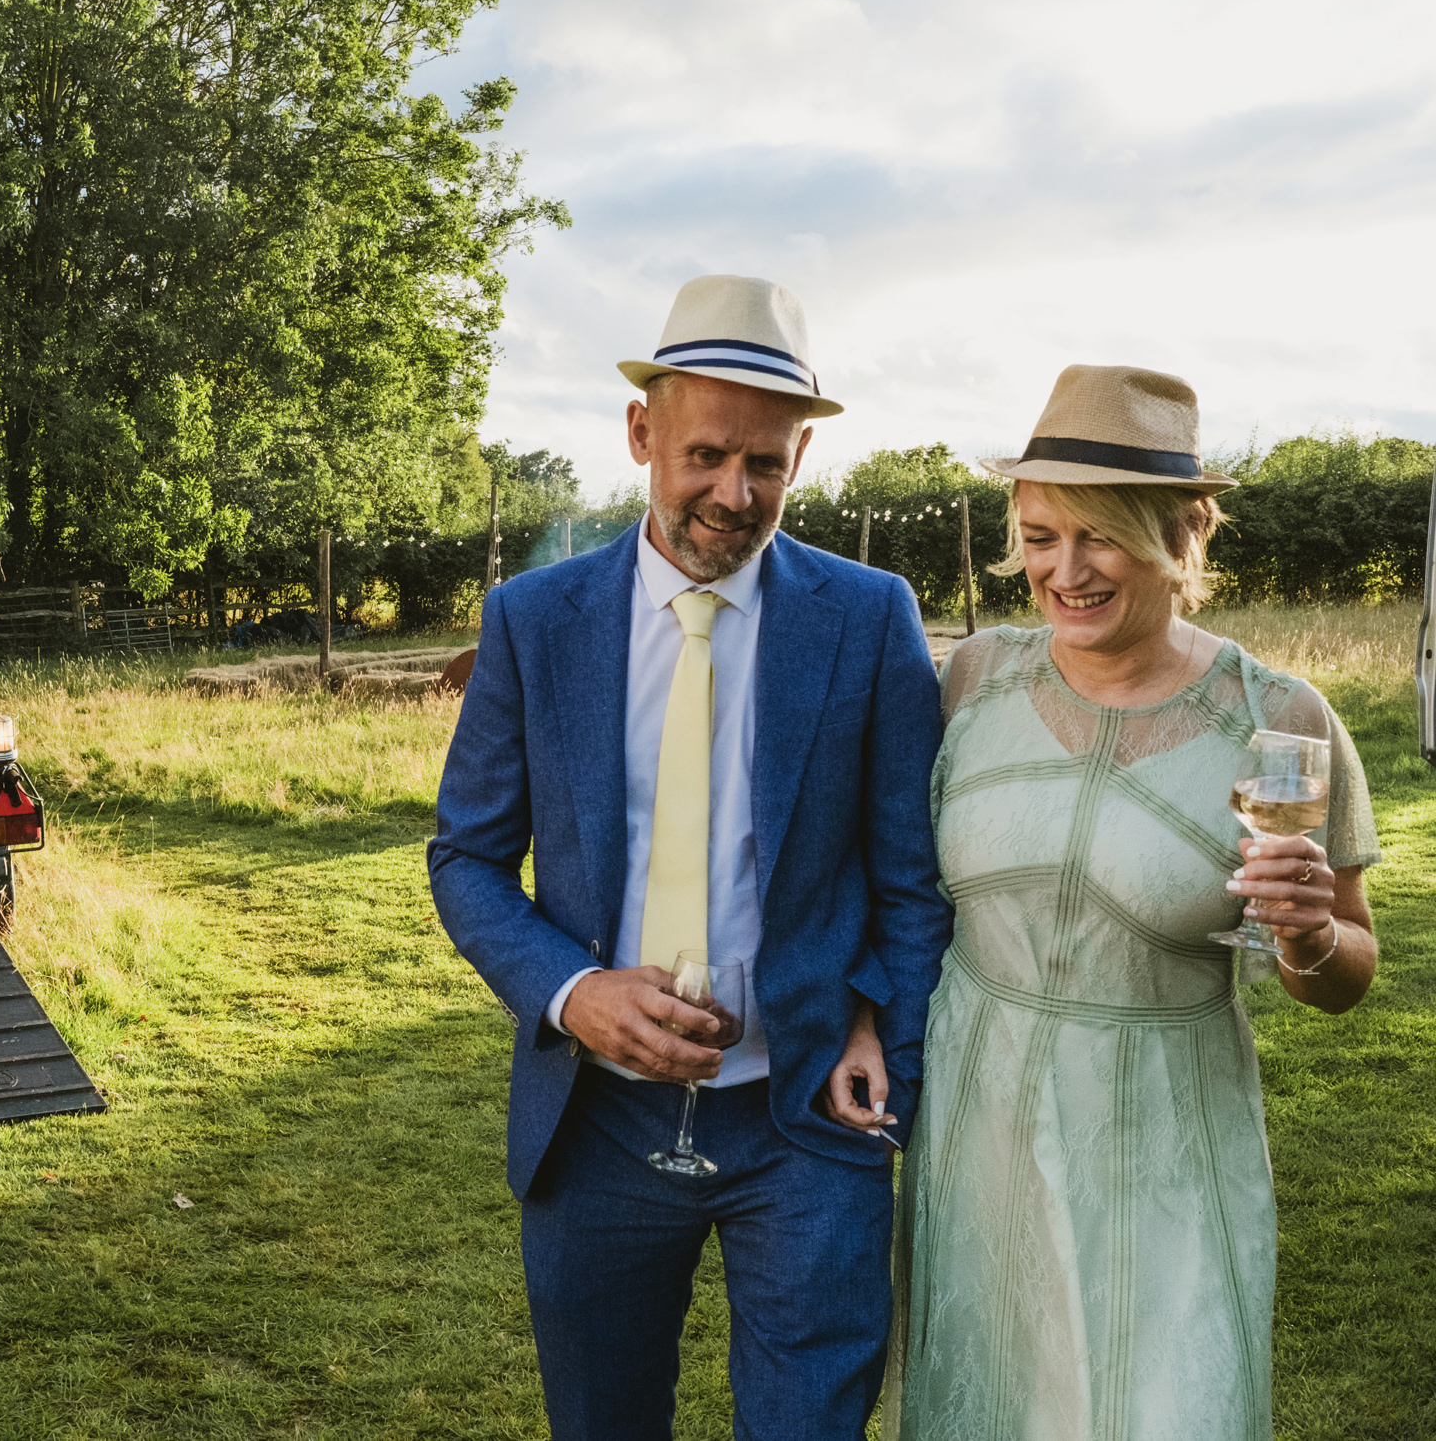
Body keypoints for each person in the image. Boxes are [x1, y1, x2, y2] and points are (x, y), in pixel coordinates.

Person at [429, 275, 954, 1440]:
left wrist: (880, 1030)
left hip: (809, 1119)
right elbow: (465, 859)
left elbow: (912, 881)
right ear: (640, 433)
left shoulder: (870, 617)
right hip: (595, 1126)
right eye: (705, 455)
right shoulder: (532, 620)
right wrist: (572, 992)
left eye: (765, 464)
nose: (733, 493)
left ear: (800, 458)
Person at [886, 365, 1381, 1441]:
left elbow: (1346, 973)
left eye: (1100, 538)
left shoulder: (1279, 717)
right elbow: (896, 890)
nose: (1064, 572)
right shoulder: (974, 679)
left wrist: (1307, 933)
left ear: (1182, 533)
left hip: (1167, 1140)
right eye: (1039, 536)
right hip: (979, 1133)